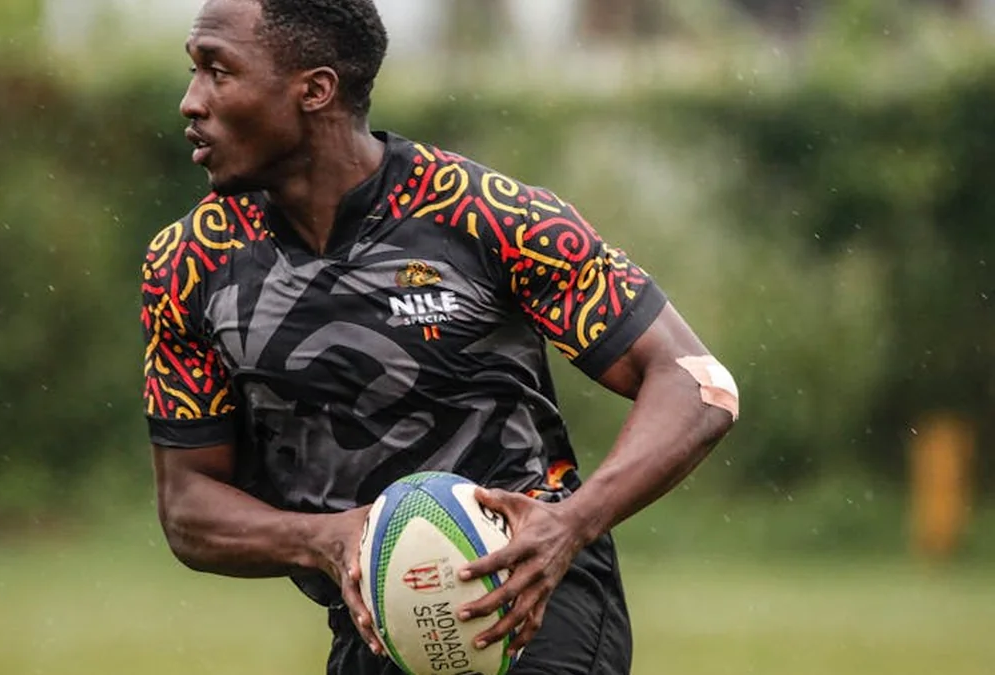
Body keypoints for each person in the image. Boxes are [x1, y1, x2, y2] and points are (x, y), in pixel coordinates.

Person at [140, 1, 739, 673]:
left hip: (536, 591)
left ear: (315, 89)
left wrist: (570, 524)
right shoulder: (188, 264)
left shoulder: (486, 215)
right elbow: (189, 508)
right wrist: (324, 540)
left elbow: (697, 383)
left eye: (218, 72)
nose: (192, 101)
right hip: (375, 620)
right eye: (194, 72)